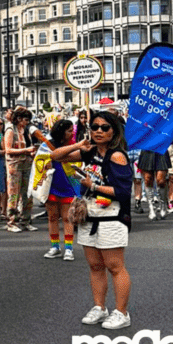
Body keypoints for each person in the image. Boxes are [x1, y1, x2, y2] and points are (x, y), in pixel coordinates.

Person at [49, 111, 133, 330]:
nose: (98, 131)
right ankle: (99, 307)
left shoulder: (117, 156)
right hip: (89, 216)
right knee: (95, 266)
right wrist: (80, 144)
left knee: (115, 266)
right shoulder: (89, 152)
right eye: (94, 127)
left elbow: (123, 191)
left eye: (105, 127)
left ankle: (122, 312)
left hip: (111, 216)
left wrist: (93, 186)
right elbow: (55, 156)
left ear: (114, 130)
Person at [39, 119, 79, 260]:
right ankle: (54, 247)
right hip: (50, 185)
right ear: (61, 131)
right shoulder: (46, 145)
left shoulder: (73, 145)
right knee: (52, 217)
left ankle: (69, 248)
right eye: (69, 131)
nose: (71, 133)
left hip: (68, 184)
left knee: (68, 218)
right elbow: (40, 161)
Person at [4, 106, 38, 232]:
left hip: (26, 163)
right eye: (25, 119)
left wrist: (31, 152)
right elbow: (8, 150)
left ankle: (25, 220)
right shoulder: (10, 130)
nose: (27, 122)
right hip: (14, 165)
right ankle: (12, 221)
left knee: (27, 194)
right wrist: (26, 150)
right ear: (18, 119)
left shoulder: (25, 130)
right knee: (14, 194)